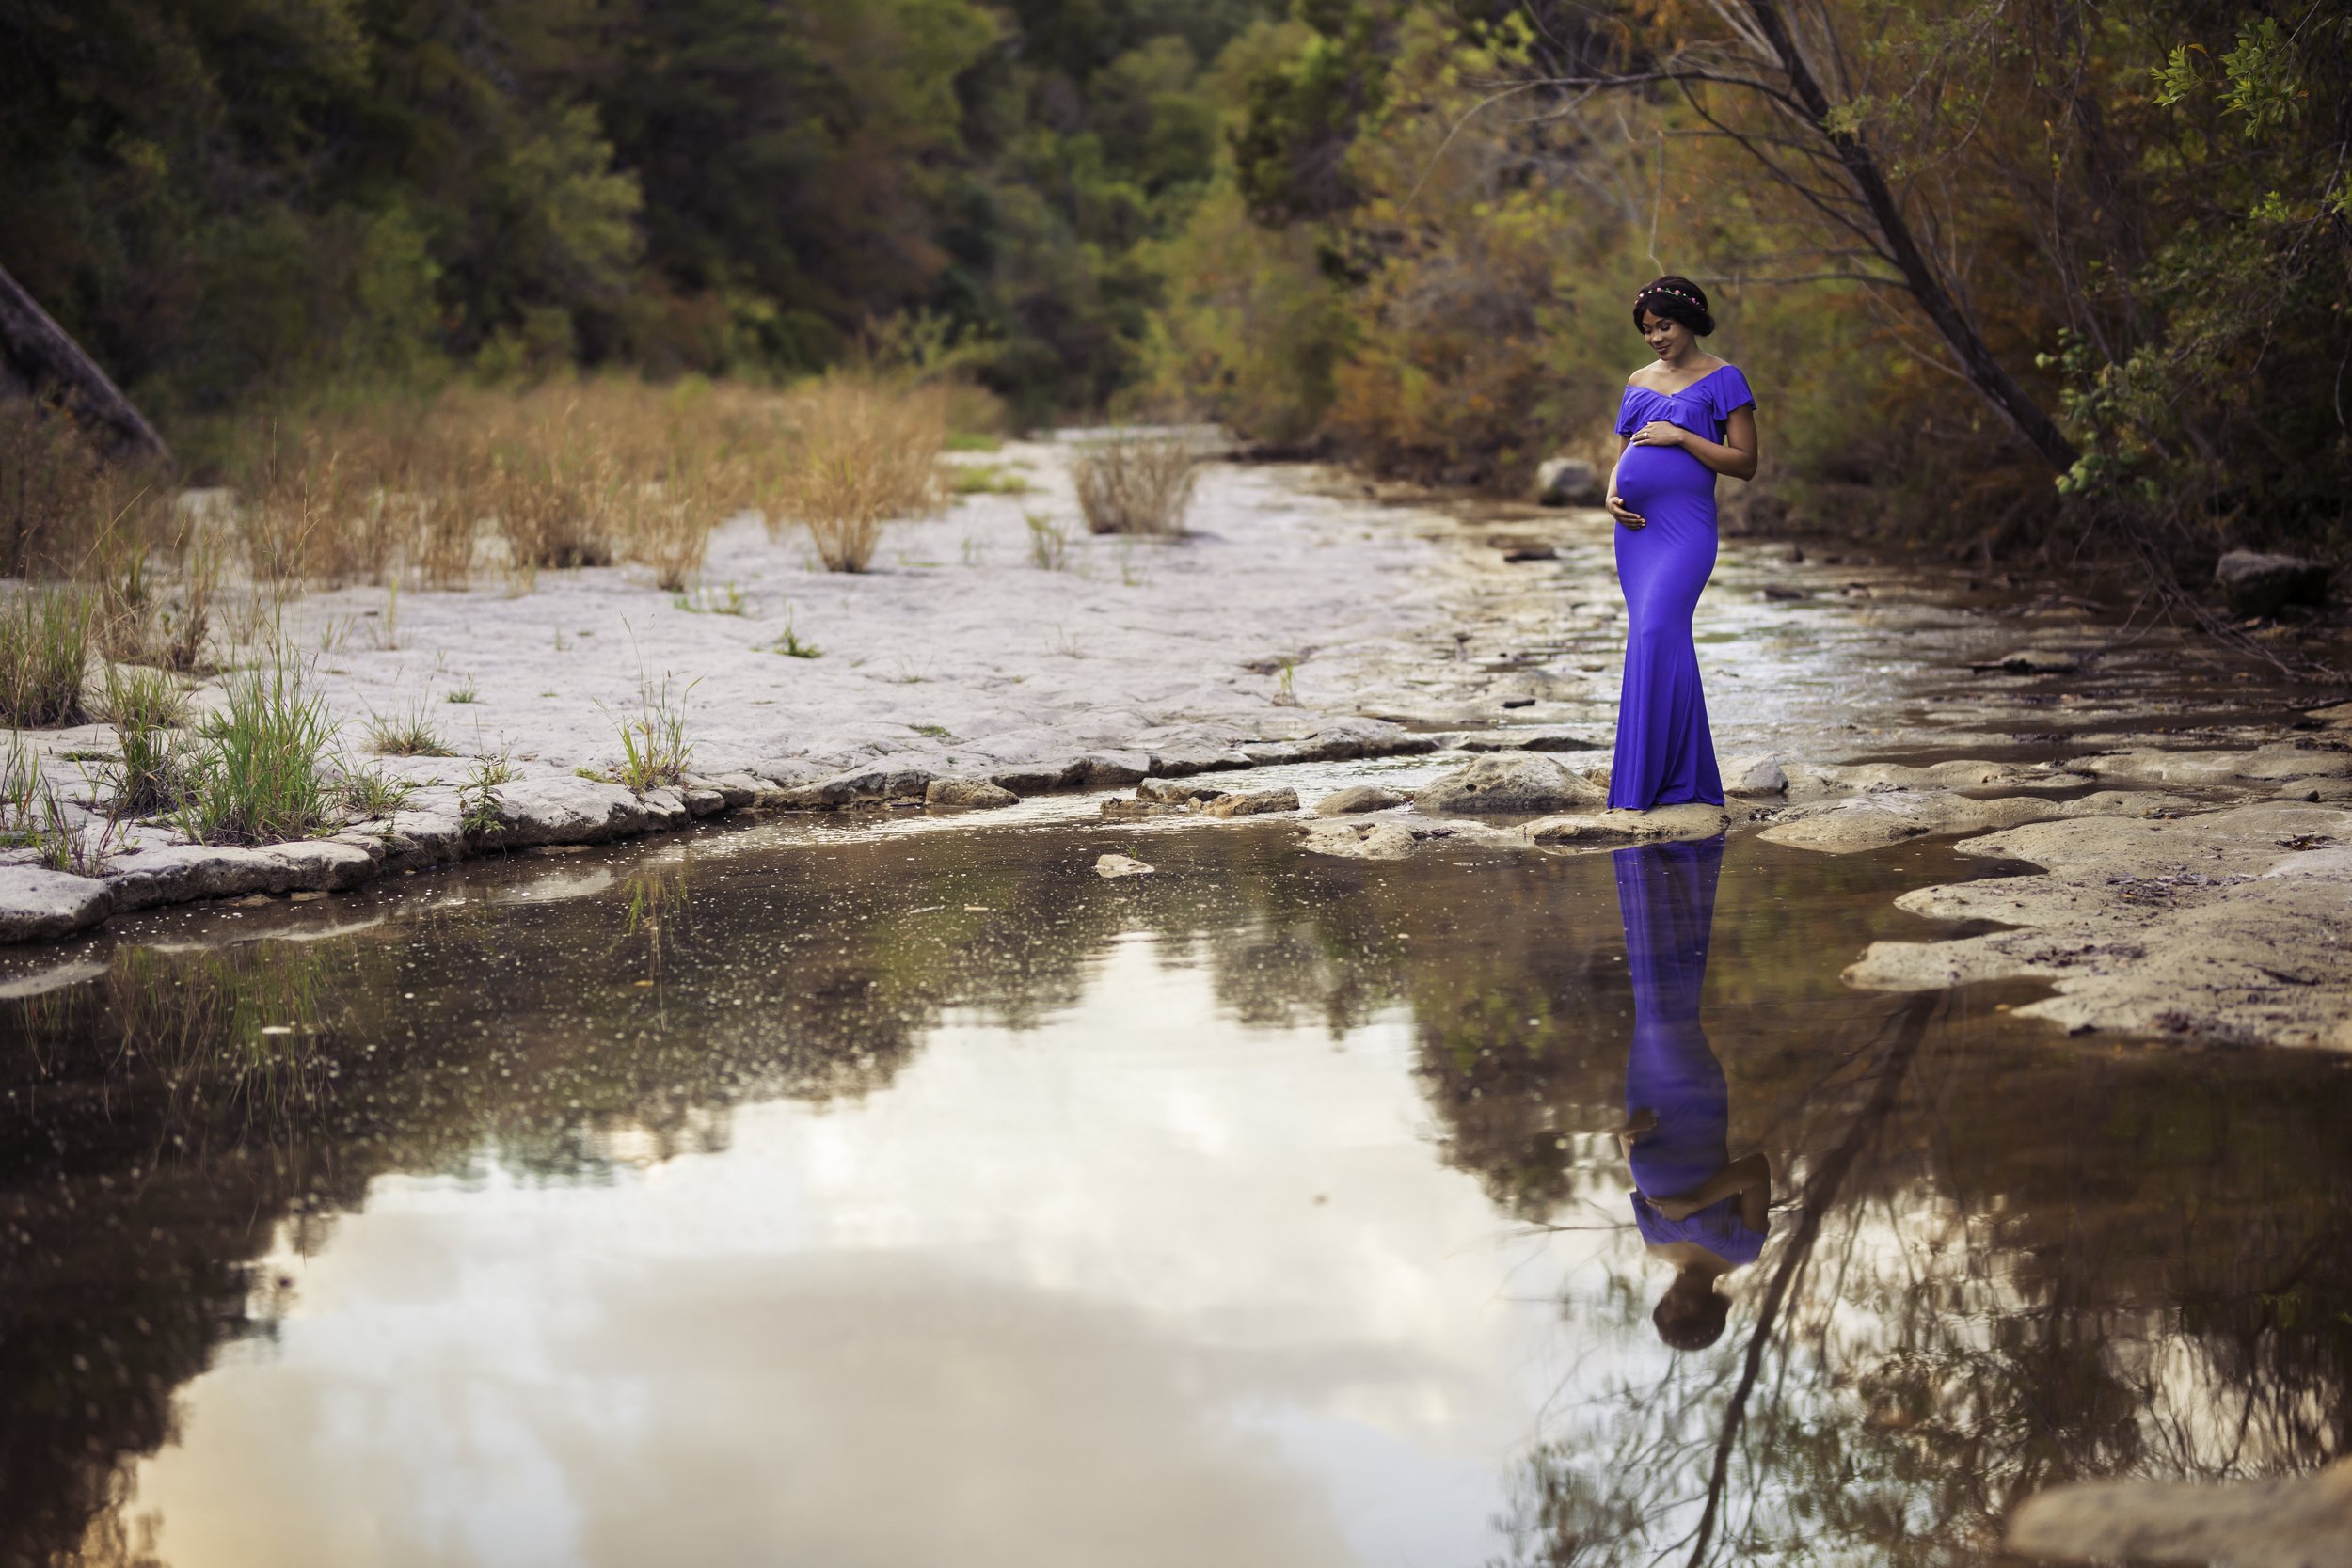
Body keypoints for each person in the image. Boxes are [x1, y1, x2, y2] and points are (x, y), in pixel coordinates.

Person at [1605, 836, 1771, 1351]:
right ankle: (1672, 867)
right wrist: (1698, 1200)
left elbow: (1637, 1177)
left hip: (1646, 1105)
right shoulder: (1742, 1250)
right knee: (1664, 1012)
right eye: (1684, 1312)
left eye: (1666, 1310)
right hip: (1695, 1107)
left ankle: (1661, 866)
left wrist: (1624, 1138)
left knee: (1654, 1008)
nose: (1674, 1301)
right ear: (1708, 1312)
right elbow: (1757, 1168)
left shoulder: (1656, 1247)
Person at [1604, 277, 1760, 813]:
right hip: (1636, 532)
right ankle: (1674, 778)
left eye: (1663, 326)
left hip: (1686, 530)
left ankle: (1660, 780)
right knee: (1651, 640)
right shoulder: (1638, 380)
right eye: (1647, 330)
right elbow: (1624, 451)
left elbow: (1745, 463)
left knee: (1657, 629)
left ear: (1689, 320)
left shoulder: (1725, 379)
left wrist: (1683, 436)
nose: (1655, 338)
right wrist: (1610, 492)